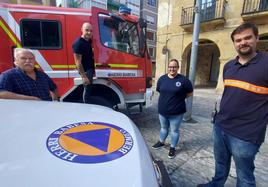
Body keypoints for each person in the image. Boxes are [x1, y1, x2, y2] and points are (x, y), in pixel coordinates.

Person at [197, 23, 268, 187]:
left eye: (247, 38)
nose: (242, 42)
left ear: (256, 38)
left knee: (244, 177)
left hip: (246, 135)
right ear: (234, 43)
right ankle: (217, 183)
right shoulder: (228, 66)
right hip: (220, 127)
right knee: (220, 165)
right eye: (238, 40)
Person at [152, 59, 193, 159]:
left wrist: (178, 99)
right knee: (163, 128)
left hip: (177, 112)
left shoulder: (184, 80)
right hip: (163, 111)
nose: (172, 69)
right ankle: (161, 142)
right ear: (168, 67)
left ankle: (172, 148)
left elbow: (190, 93)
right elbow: (159, 90)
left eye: (174, 67)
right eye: (170, 67)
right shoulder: (162, 79)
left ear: (178, 68)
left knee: (174, 130)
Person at [72, 22, 95, 103]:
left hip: (90, 69)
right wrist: (84, 76)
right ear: (81, 30)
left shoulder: (88, 41)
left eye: (91, 31)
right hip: (86, 71)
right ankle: (86, 107)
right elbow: (78, 62)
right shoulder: (78, 43)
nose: (89, 32)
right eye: (87, 30)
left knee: (89, 89)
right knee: (87, 90)